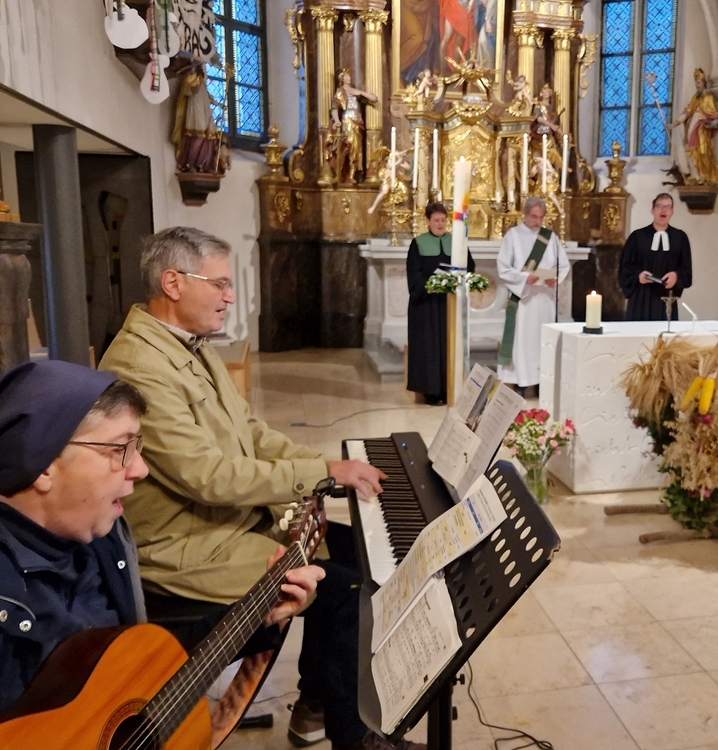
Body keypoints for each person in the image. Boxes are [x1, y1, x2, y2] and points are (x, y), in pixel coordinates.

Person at [99, 228, 420, 750]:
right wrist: (321, 473)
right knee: (344, 589)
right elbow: (207, 476)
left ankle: (316, 707)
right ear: (173, 283)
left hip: (224, 522)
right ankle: (352, 734)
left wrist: (324, 466)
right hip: (184, 547)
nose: (230, 297)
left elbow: (249, 432)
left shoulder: (187, 343)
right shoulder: (139, 365)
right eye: (220, 284)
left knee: (358, 553)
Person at [0, 360, 323, 716]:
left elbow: (140, 666)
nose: (141, 469)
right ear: (43, 463)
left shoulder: (106, 539)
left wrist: (256, 616)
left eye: (137, 446)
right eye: (120, 449)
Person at [497, 197, 570, 392]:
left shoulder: (550, 237)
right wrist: (524, 278)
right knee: (523, 340)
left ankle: (541, 380)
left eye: (541, 217)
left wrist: (555, 278)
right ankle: (521, 380)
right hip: (524, 299)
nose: (537, 221)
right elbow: (504, 268)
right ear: (525, 214)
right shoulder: (513, 236)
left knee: (542, 340)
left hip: (544, 299)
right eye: (533, 217)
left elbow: (563, 265)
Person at [407, 203, 476, 405]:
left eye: (443, 220)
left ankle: (448, 388)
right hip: (426, 306)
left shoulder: (456, 242)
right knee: (429, 346)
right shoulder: (418, 243)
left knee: (449, 344)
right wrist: (430, 283)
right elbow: (414, 273)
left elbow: (469, 266)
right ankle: (430, 391)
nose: (440, 224)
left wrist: (456, 279)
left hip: (449, 303)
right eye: (436, 220)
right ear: (427, 221)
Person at [618, 193, 693, 321]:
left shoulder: (680, 238)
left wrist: (676, 276)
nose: (664, 210)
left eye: (668, 207)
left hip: (666, 297)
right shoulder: (637, 236)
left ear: (672, 212)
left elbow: (686, 269)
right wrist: (638, 275)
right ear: (653, 210)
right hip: (640, 298)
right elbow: (624, 267)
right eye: (659, 206)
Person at [673, 68, 718, 184]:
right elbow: (687, 112)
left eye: (699, 82)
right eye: (696, 82)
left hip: (702, 129)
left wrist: (713, 123)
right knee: (690, 150)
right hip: (692, 127)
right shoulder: (695, 98)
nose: (697, 85)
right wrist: (675, 123)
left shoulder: (708, 98)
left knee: (703, 152)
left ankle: (705, 176)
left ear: (704, 82)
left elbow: (715, 115)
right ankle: (695, 176)